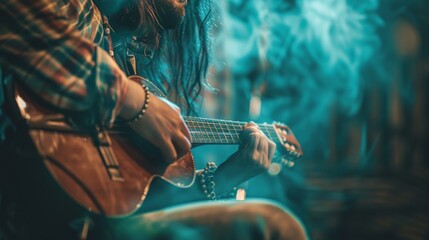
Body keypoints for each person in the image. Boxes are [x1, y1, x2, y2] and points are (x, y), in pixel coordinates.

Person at [0, 0, 308, 239]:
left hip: (87, 223)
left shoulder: (126, 52)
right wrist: (133, 100)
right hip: (26, 219)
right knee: (275, 226)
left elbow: (135, 201)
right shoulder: (77, 11)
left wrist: (226, 178)